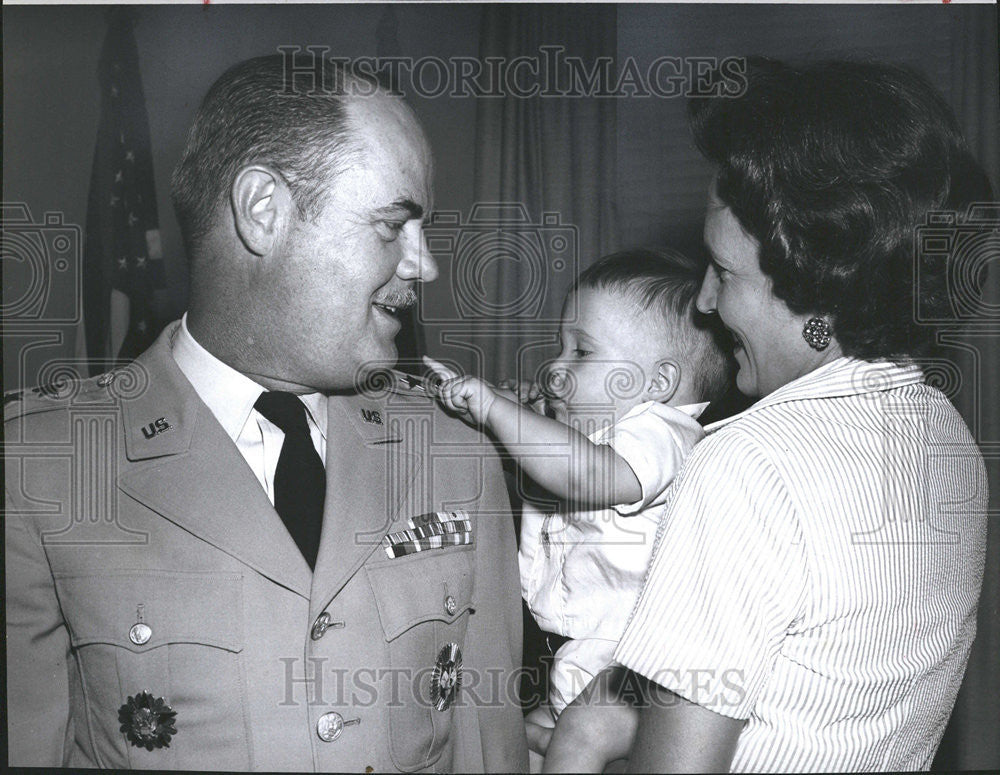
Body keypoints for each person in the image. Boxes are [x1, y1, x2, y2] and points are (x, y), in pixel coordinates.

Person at [5, 54, 528, 771]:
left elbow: (488, 748)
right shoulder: (43, 472)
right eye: (393, 225)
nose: (425, 264)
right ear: (264, 211)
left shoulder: (454, 455)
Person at [542, 58, 993, 773]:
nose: (705, 304)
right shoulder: (950, 443)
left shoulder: (747, 464)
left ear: (816, 296)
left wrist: (584, 739)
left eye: (724, 273)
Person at [423, 248, 730, 771]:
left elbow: (584, 473)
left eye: (582, 353)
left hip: (642, 667)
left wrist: (498, 412)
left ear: (656, 386)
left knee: (579, 735)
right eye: (560, 347)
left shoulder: (668, 436)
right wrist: (509, 410)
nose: (555, 367)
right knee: (512, 738)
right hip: (581, 655)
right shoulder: (594, 431)